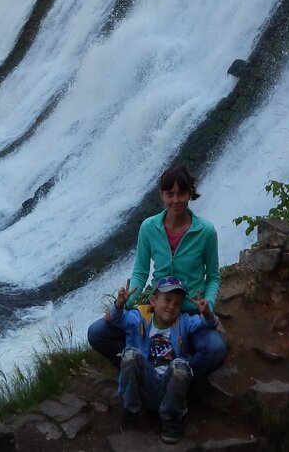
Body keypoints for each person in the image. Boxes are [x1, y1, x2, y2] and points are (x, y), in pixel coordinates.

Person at [88, 164, 228, 383]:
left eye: (181, 193)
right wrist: (122, 305)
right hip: (156, 311)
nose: (176, 200)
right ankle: (141, 375)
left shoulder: (206, 231)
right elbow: (140, 274)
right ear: (161, 195)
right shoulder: (149, 227)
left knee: (216, 349)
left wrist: (208, 306)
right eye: (169, 194)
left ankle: (173, 383)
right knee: (97, 332)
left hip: (191, 313)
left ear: (190, 193)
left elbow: (213, 276)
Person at [105, 275, 217, 443]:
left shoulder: (183, 322)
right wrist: (119, 304)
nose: (172, 306)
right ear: (153, 300)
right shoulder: (139, 318)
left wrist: (207, 313)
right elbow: (115, 318)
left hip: (169, 389)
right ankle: (131, 411)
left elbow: (207, 324)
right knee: (129, 355)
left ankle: (171, 418)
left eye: (177, 303)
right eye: (167, 300)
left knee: (181, 366)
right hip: (145, 387)